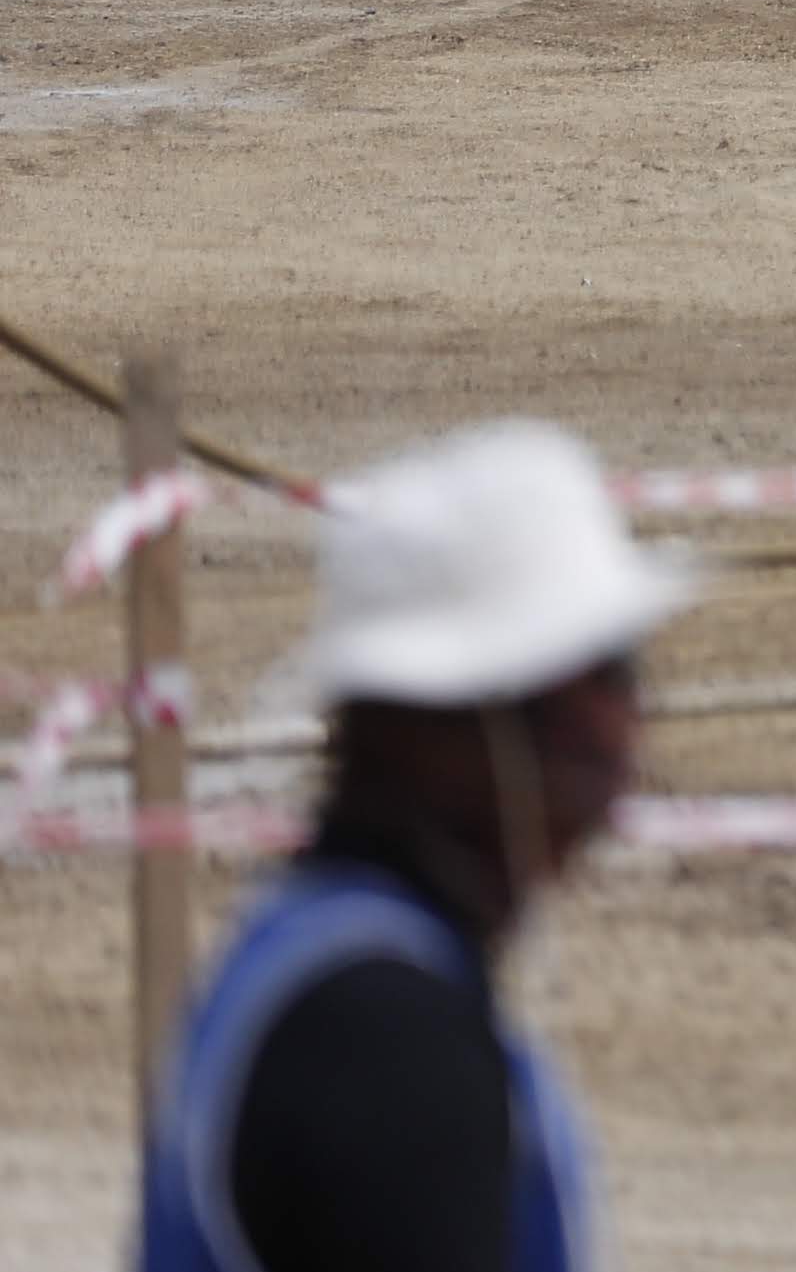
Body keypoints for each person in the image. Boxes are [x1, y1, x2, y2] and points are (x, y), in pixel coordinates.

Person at [138, 422, 699, 1272]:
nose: (627, 720)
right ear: (458, 723)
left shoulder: (310, 961)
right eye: (606, 667)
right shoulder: (386, 1046)